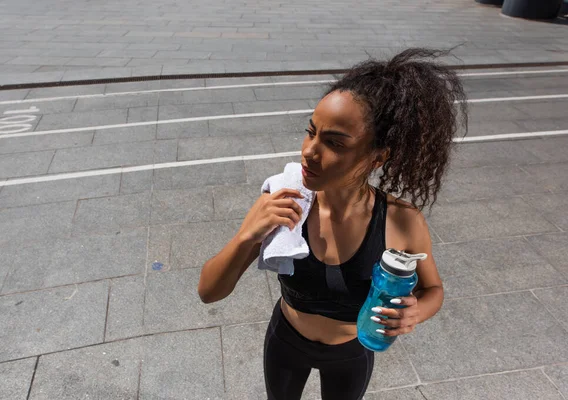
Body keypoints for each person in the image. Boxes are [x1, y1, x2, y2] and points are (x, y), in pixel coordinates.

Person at [198, 48, 468, 400]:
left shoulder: (401, 221)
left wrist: (416, 312)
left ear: (378, 156)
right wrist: (247, 235)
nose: (309, 151)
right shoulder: (285, 202)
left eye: (333, 143)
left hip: (351, 351)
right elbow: (208, 292)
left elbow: (433, 290)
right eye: (311, 132)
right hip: (286, 340)